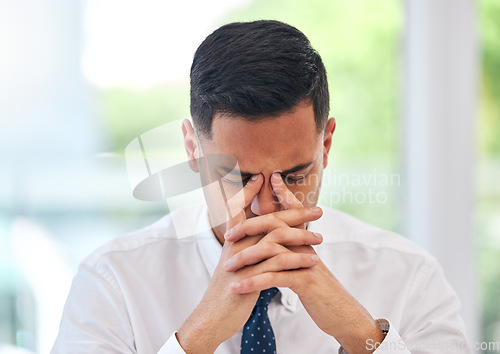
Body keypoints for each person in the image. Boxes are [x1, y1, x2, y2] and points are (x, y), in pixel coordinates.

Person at [52, 20, 470, 353]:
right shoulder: (113, 283)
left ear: (325, 144)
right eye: (240, 178)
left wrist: (359, 335)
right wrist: (197, 339)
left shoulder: (407, 276)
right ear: (192, 149)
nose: (268, 208)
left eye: (293, 176)